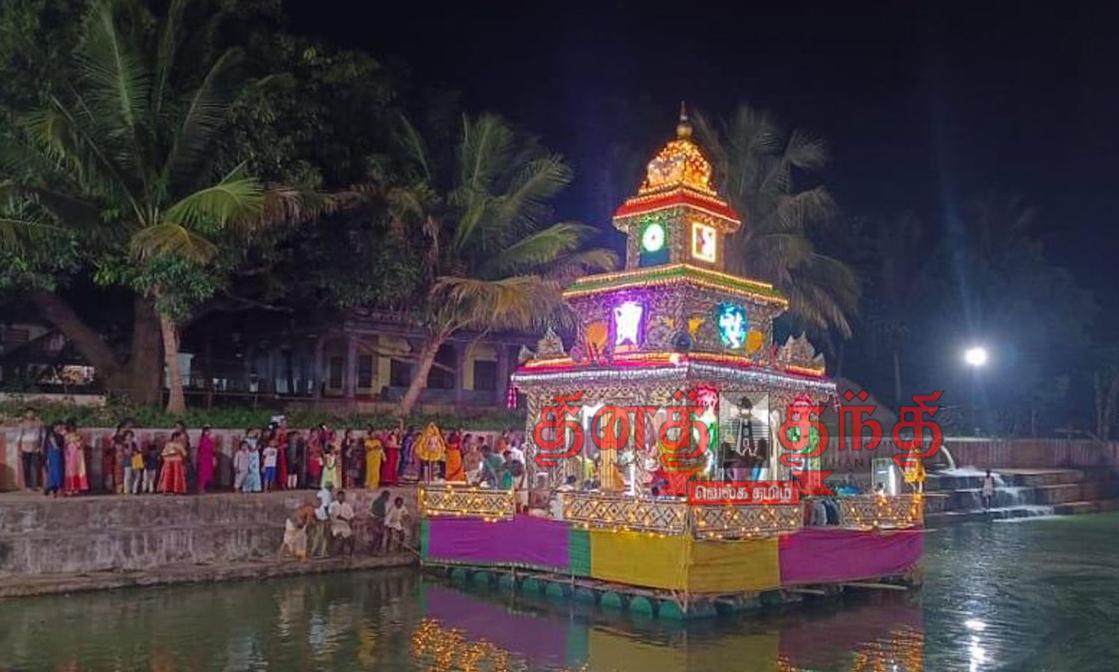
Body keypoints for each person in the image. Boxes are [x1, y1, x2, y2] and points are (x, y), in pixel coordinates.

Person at [16, 408, 43, 491]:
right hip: (25, 446)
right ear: (26, 414)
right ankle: (28, 485)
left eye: (32, 413)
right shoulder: (22, 424)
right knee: (26, 467)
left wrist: (40, 446)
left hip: (35, 446)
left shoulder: (38, 424)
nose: (31, 414)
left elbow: (40, 435)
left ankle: (34, 485)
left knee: (34, 466)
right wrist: (19, 449)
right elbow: (19, 437)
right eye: (29, 413)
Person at [62, 420, 88, 496]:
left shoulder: (78, 435)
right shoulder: (65, 435)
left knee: (77, 470)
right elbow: (63, 444)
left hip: (77, 455)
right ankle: (69, 488)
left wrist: (78, 442)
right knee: (69, 471)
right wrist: (70, 441)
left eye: (73, 426)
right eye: (71, 426)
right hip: (69, 455)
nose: (72, 428)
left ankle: (76, 488)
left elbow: (82, 444)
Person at [329, 490, 356, 556]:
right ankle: (338, 552)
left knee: (352, 537)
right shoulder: (333, 505)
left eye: (343, 496)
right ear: (337, 497)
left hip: (345, 525)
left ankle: (351, 554)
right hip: (336, 525)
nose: (341, 497)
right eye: (340, 496)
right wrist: (346, 519)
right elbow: (336, 516)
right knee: (339, 536)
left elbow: (352, 515)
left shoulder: (347, 505)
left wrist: (350, 523)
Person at [310, 485, 333, 558]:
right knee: (323, 536)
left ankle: (315, 551)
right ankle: (321, 552)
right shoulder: (327, 494)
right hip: (323, 517)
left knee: (318, 535)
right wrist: (328, 518)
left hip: (318, 515)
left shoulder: (320, 492)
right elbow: (326, 506)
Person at [43, 422, 65, 497]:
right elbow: (55, 446)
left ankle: (55, 488)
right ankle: (53, 488)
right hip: (54, 454)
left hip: (58, 454)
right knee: (55, 471)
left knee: (58, 471)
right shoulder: (51, 435)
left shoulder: (59, 435)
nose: (61, 428)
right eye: (59, 426)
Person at [196, 426, 216, 494]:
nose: (208, 432)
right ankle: (201, 488)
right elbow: (200, 450)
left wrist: (213, 458)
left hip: (209, 458)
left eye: (209, 431)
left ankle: (205, 487)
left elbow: (213, 450)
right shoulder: (202, 439)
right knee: (202, 474)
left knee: (208, 474)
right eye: (207, 431)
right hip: (203, 458)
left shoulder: (211, 440)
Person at [122, 430, 141, 495]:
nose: (130, 437)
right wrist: (129, 444)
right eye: (128, 436)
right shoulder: (124, 444)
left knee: (137, 476)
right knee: (128, 476)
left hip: (135, 461)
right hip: (128, 462)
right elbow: (128, 452)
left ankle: (134, 490)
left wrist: (136, 452)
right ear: (125, 437)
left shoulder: (134, 444)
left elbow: (138, 451)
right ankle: (126, 490)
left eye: (131, 436)